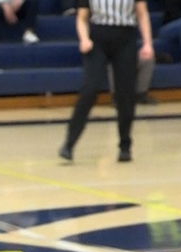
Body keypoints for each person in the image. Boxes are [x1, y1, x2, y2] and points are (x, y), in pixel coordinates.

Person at [59, 0, 153, 162]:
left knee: (125, 94)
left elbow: (142, 14)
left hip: (125, 38)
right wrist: (84, 39)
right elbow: (82, 18)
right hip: (97, 39)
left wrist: (147, 43)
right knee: (90, 89)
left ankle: (125, 145)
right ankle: (69, 143)